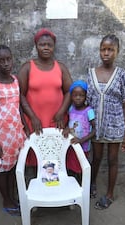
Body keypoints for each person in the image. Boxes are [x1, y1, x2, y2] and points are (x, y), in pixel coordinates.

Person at [87, 34, 125, 210]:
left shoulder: (121, 75)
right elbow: (87, 102)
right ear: (100, 51)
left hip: (115, 127)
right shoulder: (91, 73)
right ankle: (91, 184)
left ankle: (110, 194)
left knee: (112, 160)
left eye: (110, 50)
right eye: (103, 49)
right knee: (96, 158)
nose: (106, 53)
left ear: (117, 52)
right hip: (96, 127)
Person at [0, 44, 28, 216]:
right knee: (2, 170)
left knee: (13, 168)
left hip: (16, 134)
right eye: (1, 61)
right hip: (1, 137)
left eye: (8, 59)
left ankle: (13, 196)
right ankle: (6, 200)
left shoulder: (15, 80)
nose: (6, 63)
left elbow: (19, 107)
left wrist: (26, 129)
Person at [18, 28, 73, 167]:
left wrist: (61, 112)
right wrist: (32, 117)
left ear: (54, 47)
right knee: (38, 152)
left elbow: (70, 91)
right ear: (36, 46)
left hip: (57, 120)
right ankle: (40, 182)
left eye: (49, 45)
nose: (46, 48)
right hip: (35, 120)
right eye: (42, 45)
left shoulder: (60, 67)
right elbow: (21, 96)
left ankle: (55, 181)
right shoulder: (27, 68)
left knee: (56, 153)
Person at [62, 80, 96, 176]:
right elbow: (69, 123)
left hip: (83, 146)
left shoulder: (89, 111)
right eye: (75, 95)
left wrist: (82, 140)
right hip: (71, 144)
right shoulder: (71, 109)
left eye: (81, 95)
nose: (78, 98)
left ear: (85, 96)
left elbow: (94, 130)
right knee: (70, 167)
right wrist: (67, 129)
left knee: (80, 168)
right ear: (71, 96)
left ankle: (82, 187)